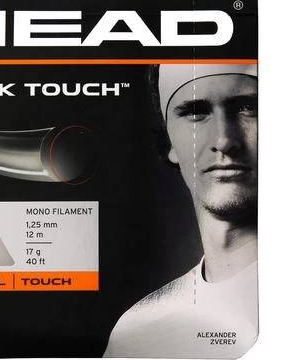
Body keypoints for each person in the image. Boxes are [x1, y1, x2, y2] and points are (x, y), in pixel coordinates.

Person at [103, 63, 258, 358]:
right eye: (195, 111)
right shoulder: (138, 332)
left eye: (248, 108)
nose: (224, 140)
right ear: (169, 140)